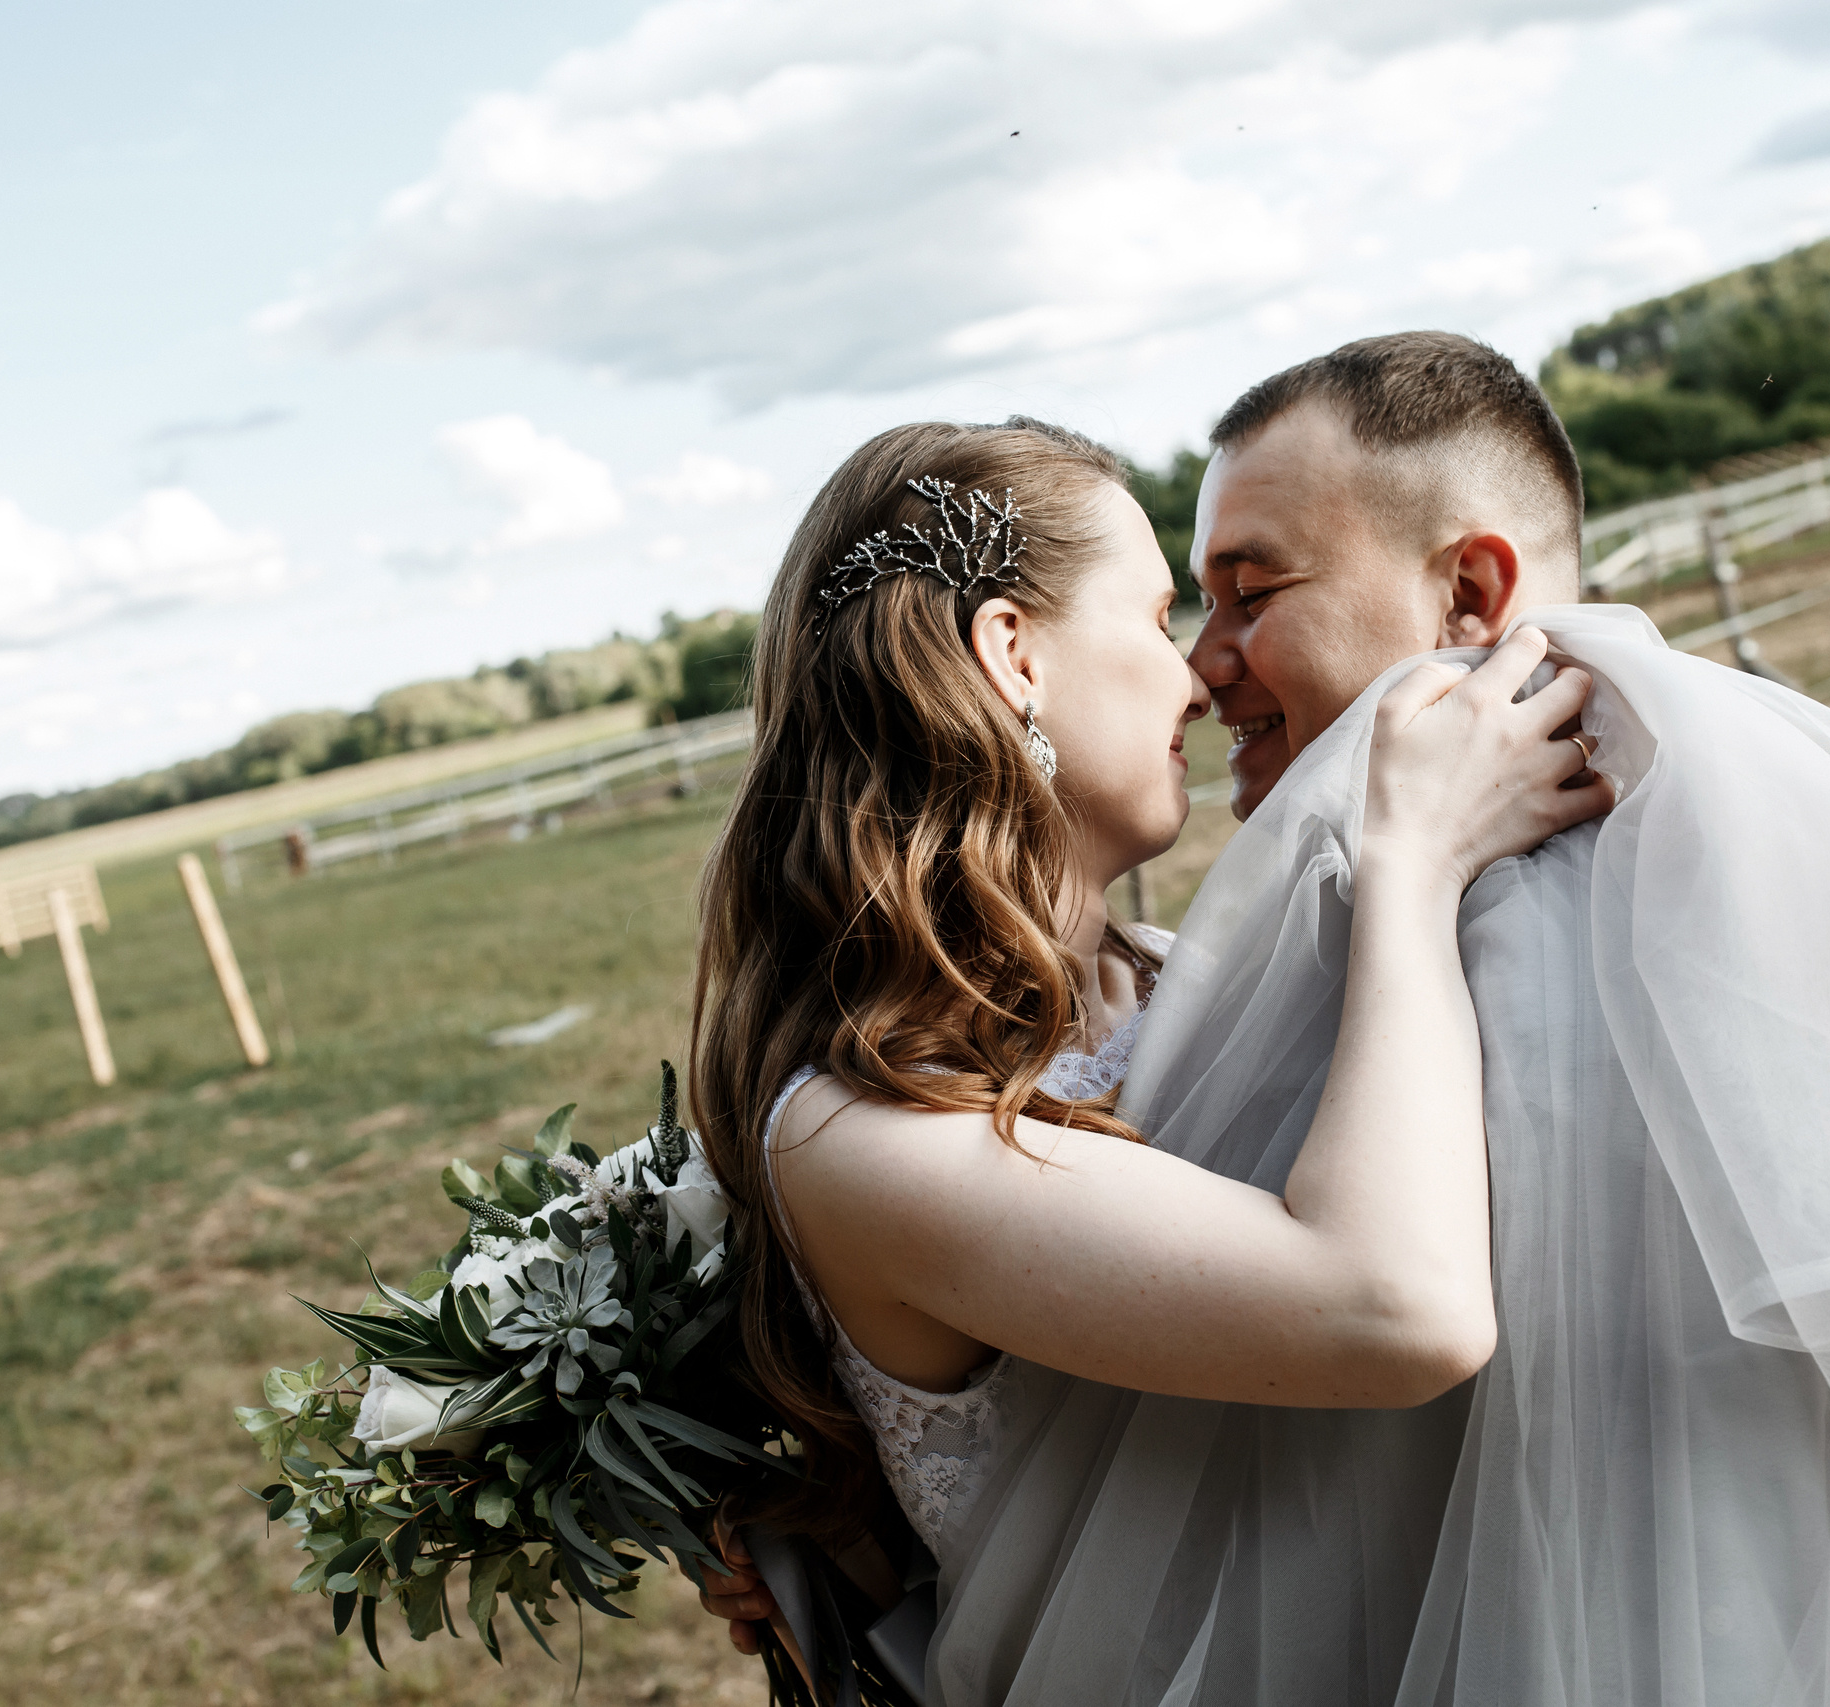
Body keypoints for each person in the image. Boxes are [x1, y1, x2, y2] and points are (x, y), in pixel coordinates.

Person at [682, 413, 1607, 1696]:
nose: (1199, 677)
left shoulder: (1173, 973)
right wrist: (1413, 860)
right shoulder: (857, 1133)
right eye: (1161, 617)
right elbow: (1400, 1310)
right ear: (1012, 654)